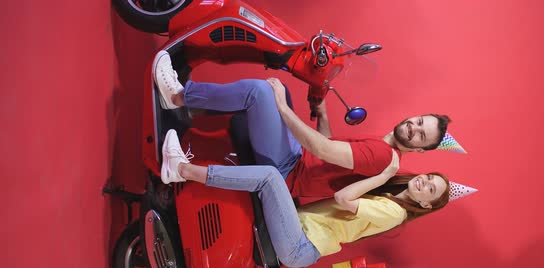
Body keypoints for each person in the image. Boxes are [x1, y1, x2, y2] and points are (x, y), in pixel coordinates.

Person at [154, 50, 451, 202]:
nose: (414, 128)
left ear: (421, 150)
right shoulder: (384, 146)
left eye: (421, 135)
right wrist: (321, 114)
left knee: (261, 92)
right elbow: (327, 156)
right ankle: (192, 109)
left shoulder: (383, 156)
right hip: (297, 159)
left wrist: (283, 109)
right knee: (277, 87)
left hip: (288, 170)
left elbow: (319, 147)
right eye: (419, 122)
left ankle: (178, 97)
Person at [160, 129, 450, 268]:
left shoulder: (394, 213)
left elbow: (343, 198)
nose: (424, 182)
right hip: (300, 231)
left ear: (425, 205)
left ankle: (181, 169)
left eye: (430, 190)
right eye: (428, 177)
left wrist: (383, 176)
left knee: (269, 178)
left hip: (300, 245)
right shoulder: (388, 195)